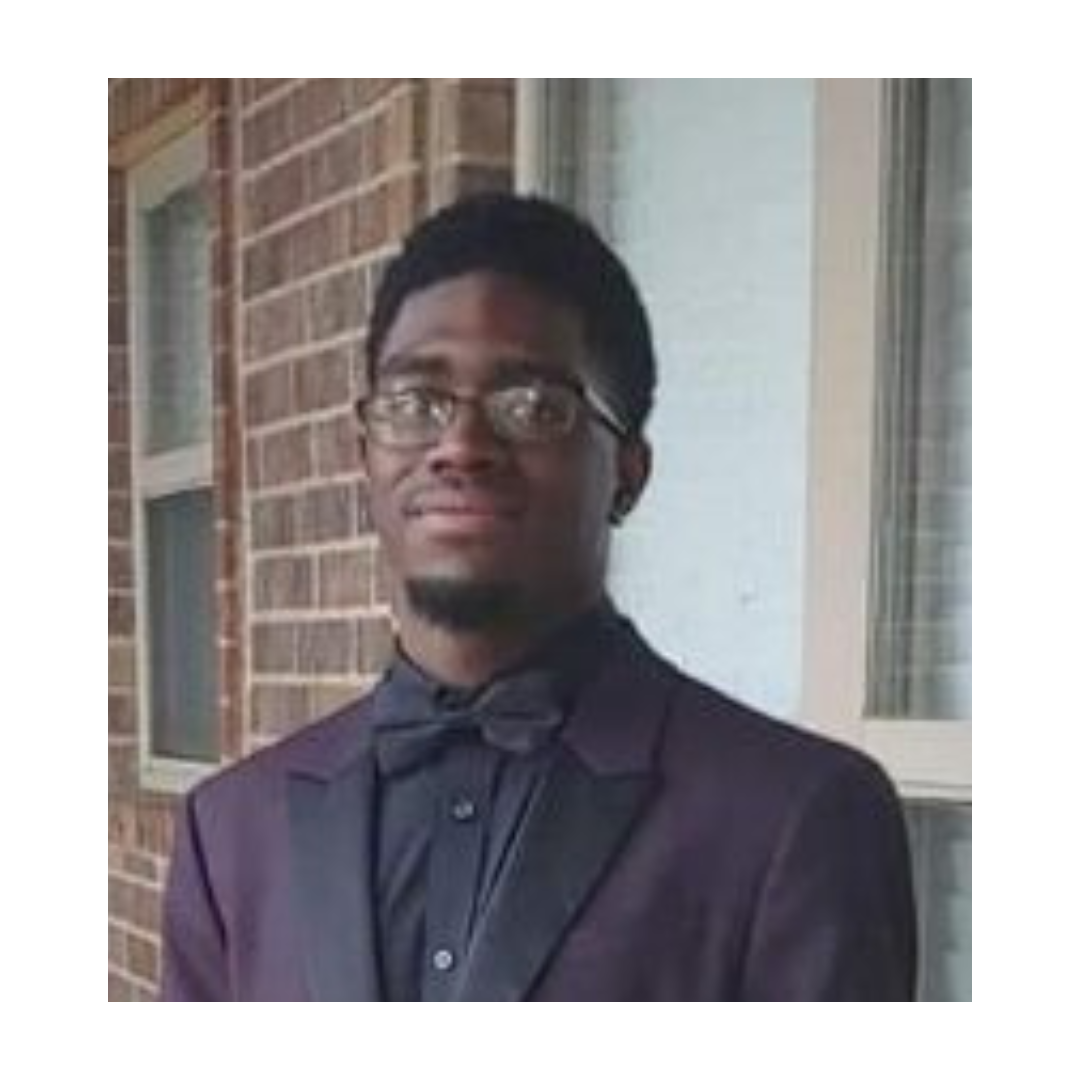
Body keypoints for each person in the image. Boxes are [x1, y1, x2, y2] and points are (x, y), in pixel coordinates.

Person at [161, 193, 917, 1001]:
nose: (459, 446)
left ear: (627, 472)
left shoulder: (794, 821)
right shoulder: (230, 836)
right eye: (416, 404)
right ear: (365, 456)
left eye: (532, 407)